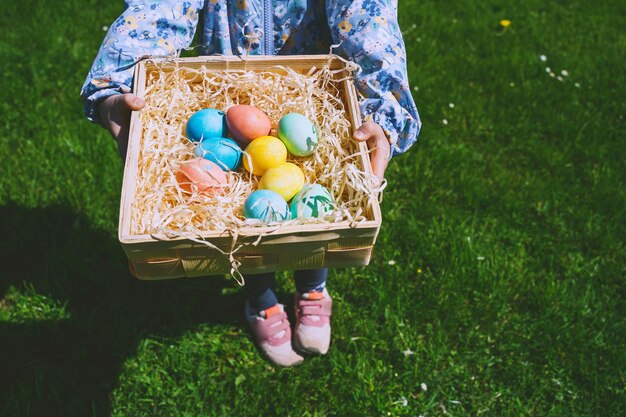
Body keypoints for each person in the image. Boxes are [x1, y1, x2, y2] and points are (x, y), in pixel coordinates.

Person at [81, 0, 421, 367]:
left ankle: (312, 288)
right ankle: (261, 301)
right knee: (249, 231)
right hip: (231, 81)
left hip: (309, 86)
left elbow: (367, 13)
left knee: (314, 222)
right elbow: (158, 7)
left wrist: (384, 103)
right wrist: (120, 76)